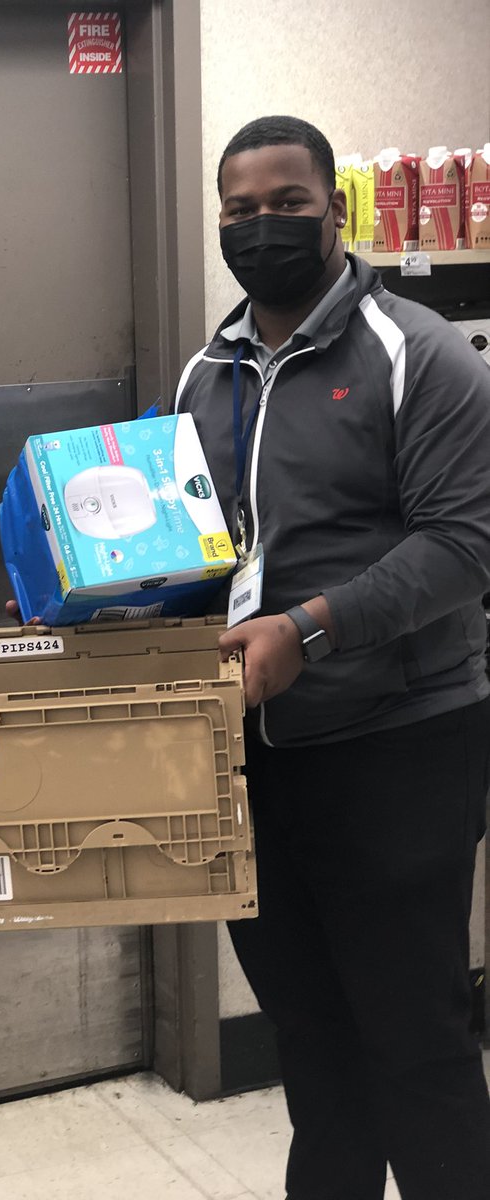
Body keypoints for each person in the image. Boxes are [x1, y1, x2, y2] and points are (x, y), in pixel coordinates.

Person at [175, 116, 490, 1200]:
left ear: (335, 212)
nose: (261, 228)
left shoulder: (420, 355)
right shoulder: (202, 379)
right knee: (313, 1049)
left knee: (420, 1051)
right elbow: (197, 558)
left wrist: (308, 630)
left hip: (399, 749)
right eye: (239, 211)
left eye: (287, 205)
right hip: (256, 765)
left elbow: (464, 547)